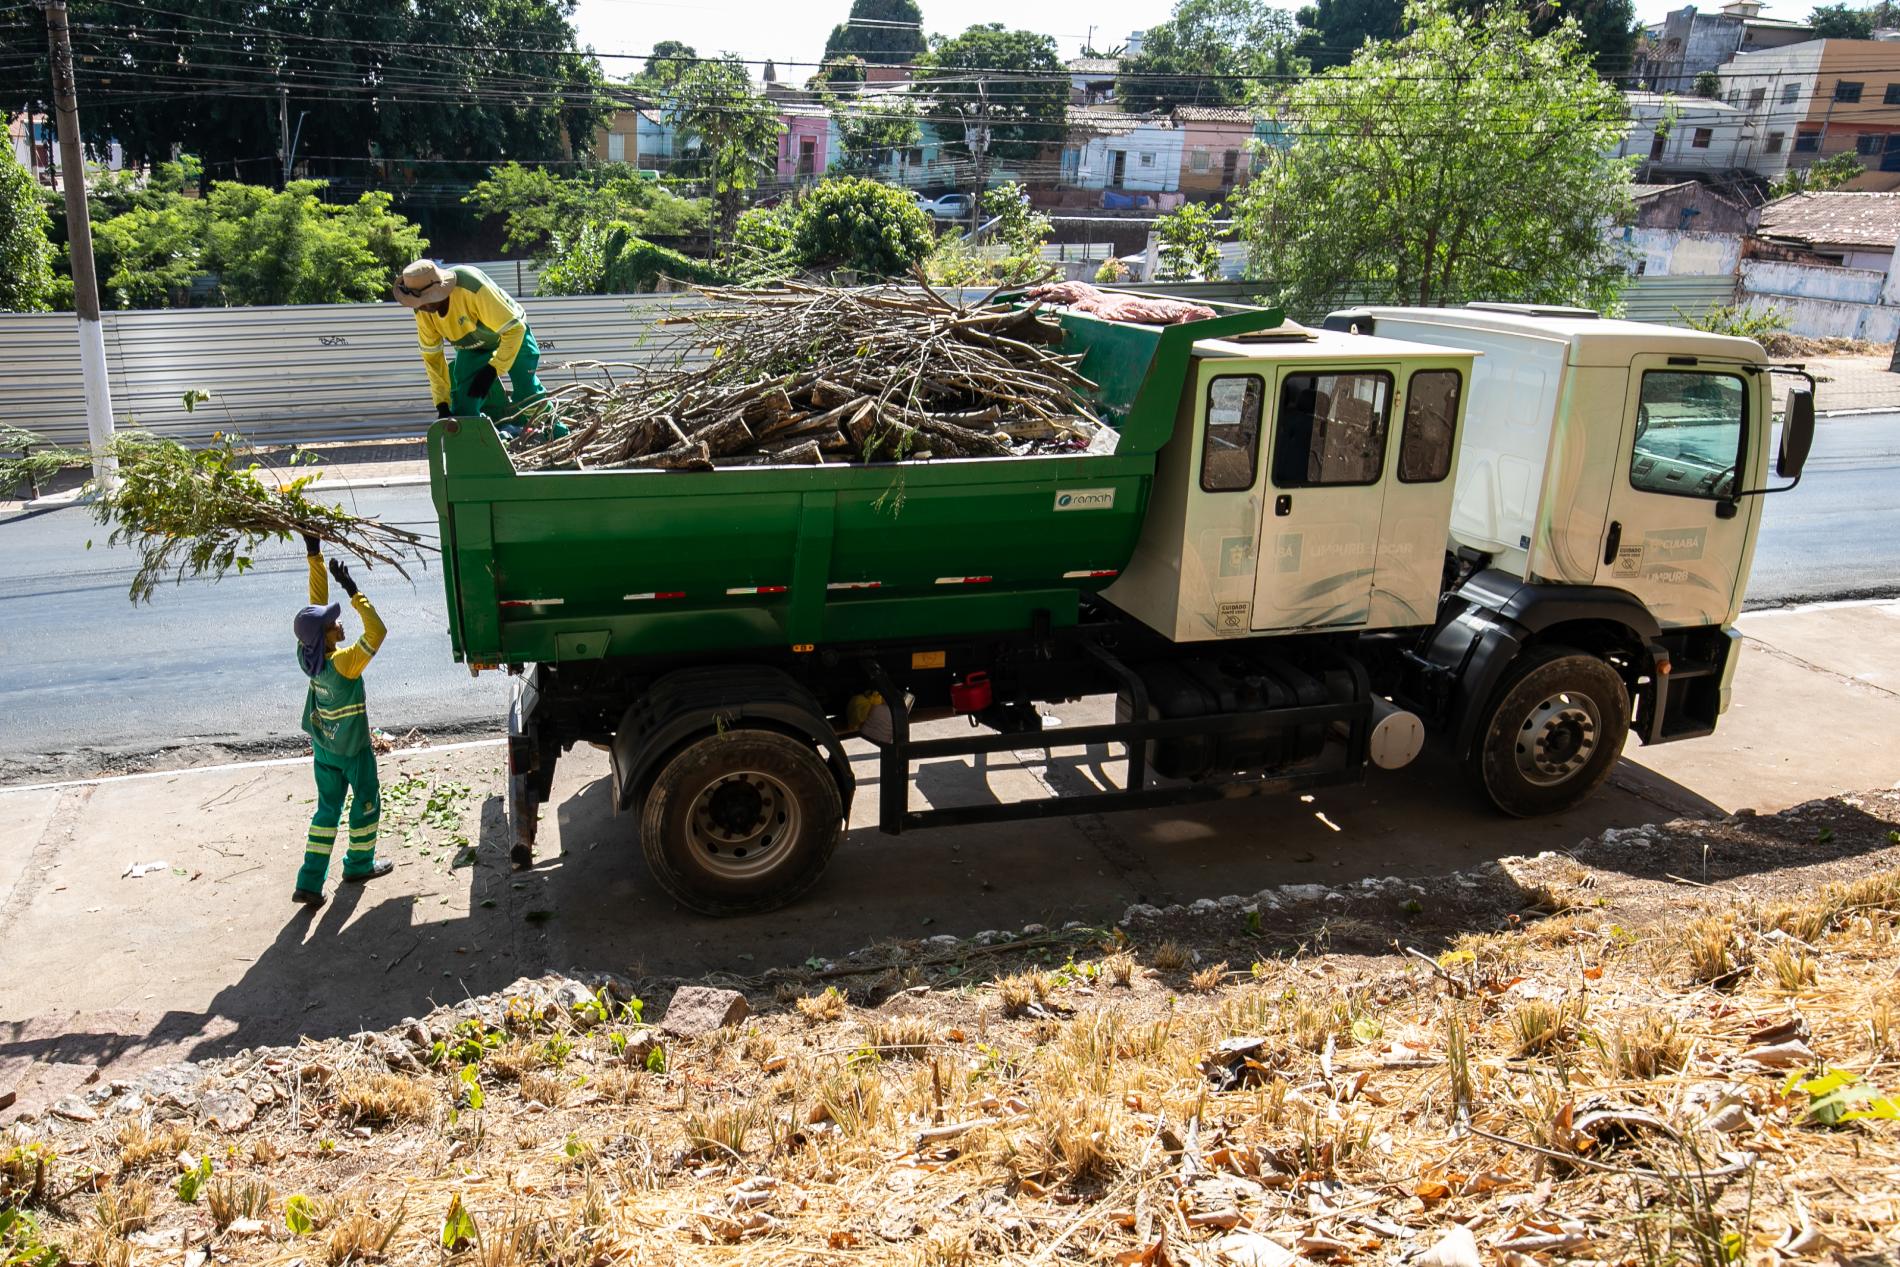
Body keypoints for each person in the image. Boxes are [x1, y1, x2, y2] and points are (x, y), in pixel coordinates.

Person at [291, 535, 393, 907]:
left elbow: (313, 609)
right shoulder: (344, 663)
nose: (339, 624)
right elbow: (377, 632)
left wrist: (313, 555)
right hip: (352, 751)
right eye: (334, 625)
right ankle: (359, 864)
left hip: (324, 749)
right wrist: (353, 590)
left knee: (327, 810)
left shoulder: (308, 657)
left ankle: (309, 881)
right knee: (367, 801)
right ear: (326, 637)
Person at [392, 259, 563, 440]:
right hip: (471, 347)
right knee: (464, 406)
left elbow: (515, 330)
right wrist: (442, 404)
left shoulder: (471, 286)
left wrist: (492, 369)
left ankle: (558, 434)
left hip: (512, 334)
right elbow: (433, 359)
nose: (425, 307)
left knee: (527, 393)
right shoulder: (422, 311)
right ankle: (481, 449)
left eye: (428, 300)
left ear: (441, 288)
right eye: (419, 303)